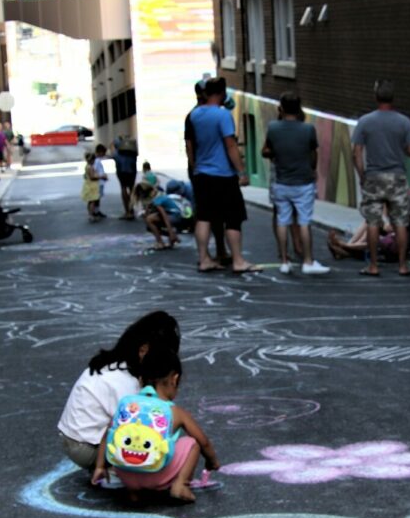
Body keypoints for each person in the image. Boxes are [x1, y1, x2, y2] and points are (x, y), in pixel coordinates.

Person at [92, 347, 220, 504]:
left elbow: (107, 434)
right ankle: (181, 485)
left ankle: (134, 492)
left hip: (126, 474)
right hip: (158, 476)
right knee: (192, 443)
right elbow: (203, 441)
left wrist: (100, 467)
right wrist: (212, 462)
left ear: (140, 379)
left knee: (120, 438)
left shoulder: (127, 407)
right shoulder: (175, 411)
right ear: (175, 379)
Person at [57, 311, 181, 471]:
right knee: (153, 444)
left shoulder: (113, 364)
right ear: (144, 351)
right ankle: (118, 473)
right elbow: (138, 424)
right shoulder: (127, 381)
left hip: (72, 440)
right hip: (86, 449)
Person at [185, 76, 260, 274]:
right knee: (233, 217)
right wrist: (241, 171)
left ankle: (204, 259)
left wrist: (194, 167)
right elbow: (230, 144)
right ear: (221, 93)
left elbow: (190, 145)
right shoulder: (223, 115)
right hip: (223, 174)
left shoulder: (195, 115)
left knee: (204, 216)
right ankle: (238, 260)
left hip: (202, 172)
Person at [351, 79, 410, 277]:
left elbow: (356, 152)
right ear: (393, 98)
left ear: (375, 96)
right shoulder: (404, 122)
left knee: (372, 221)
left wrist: (362, 175)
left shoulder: (365, 121)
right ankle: (402, 265)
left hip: (373, 175)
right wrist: (402, 147)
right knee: (400, 221)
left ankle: (373, 265)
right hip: (396, 176)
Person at [261, 92, 329, 275]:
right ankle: (308, 261)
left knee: (282, 220)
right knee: (304, 221)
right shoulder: (308, 130)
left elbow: (266, 150)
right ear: (299, 109)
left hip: (282, 181)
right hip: (303, 181)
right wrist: (312, 169)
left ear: (281, 108)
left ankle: (284, 260)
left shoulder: (273, 128)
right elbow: (313, 154)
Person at [113, 132, 139, 219]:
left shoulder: (117, 153)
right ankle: (132, 210)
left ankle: (127, 212)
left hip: (122, 172)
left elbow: (111, 155)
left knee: (123, 188)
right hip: (132, 171)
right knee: (131, 189)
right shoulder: (132, 152)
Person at [80, 151, 102, 222]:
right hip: (92, 186)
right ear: (92, 160)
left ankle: (90, 214)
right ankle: (92, 214)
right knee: (93, 201)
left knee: (90, 201)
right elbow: (92, 177)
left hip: (88, 185)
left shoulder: (87, 166)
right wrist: (100, 176)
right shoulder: (90, 167)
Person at [92, 144, 109, 217]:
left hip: (100, 181)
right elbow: (95, 171)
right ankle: (94, 211)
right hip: (98, 181)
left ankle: (97, 210)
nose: (104, 155)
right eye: (103, 153)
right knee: (96, 198)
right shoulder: (96, 161)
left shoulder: (97, 160)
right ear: (100, 152)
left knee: (98, 198)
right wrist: (102, 176)